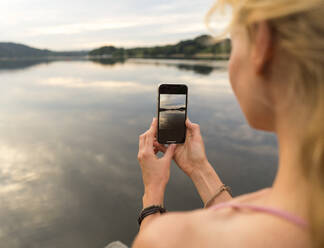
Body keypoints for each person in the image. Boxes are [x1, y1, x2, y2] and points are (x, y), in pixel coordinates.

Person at [133, 0, 324, 247]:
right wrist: (199, 168)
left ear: (262, 44)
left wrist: (152, 192)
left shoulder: (172, 238)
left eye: (234, 41)